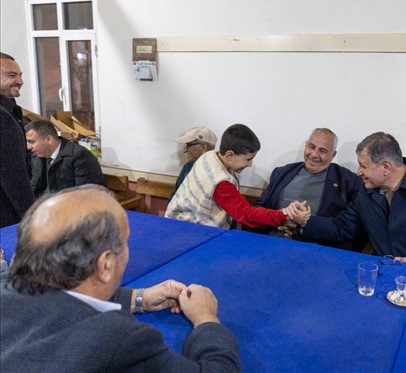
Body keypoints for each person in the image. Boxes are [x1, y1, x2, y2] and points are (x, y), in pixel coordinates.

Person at [0, 185, 241, 372]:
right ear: (105, 265)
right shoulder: (118, 340)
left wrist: (140, 298)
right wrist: (205, 317)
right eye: (125, 243)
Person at [287, 132, 406, 272]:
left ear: (386, 167)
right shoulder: (366, 192)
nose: (358, 172)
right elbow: (341, 227)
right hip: (386, 279)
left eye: (363, 166)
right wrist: (305, 221)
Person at [253, 128, 366, 251]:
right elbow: (257, 209)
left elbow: (347, 228)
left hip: (315, 249)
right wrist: (279, 218)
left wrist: (304, 223)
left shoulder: (349, 182)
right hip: (270, 242)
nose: (314, 154)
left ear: (333, 155)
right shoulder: (282, 173)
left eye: (322, 150)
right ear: (306, 146)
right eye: (311, 147)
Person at [166, 123, 292, 229]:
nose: (250, 165)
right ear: (230, 155)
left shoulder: (208, 156)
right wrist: (285, 215)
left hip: (175, 223)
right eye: (248, 159)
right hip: (190, 231)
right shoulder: (220, 181)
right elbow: (246, 215)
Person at [25, 120, 105, 196]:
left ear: (49, 139)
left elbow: (86, 194)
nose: (28, 147)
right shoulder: (37, 157)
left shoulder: (80, 156)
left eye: (32, 142)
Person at [0, 52, 35, 227]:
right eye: (11, 75)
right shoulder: (2, 117)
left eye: (20, 75)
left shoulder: (9, 111)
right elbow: (13, 174)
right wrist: (31, 217)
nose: (20, 81)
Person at [169, 126, 217, 201]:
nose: (185, 150)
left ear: (203, 148)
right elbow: (175, 196)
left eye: (188, 145)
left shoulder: (219, 173)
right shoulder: (188, 167)